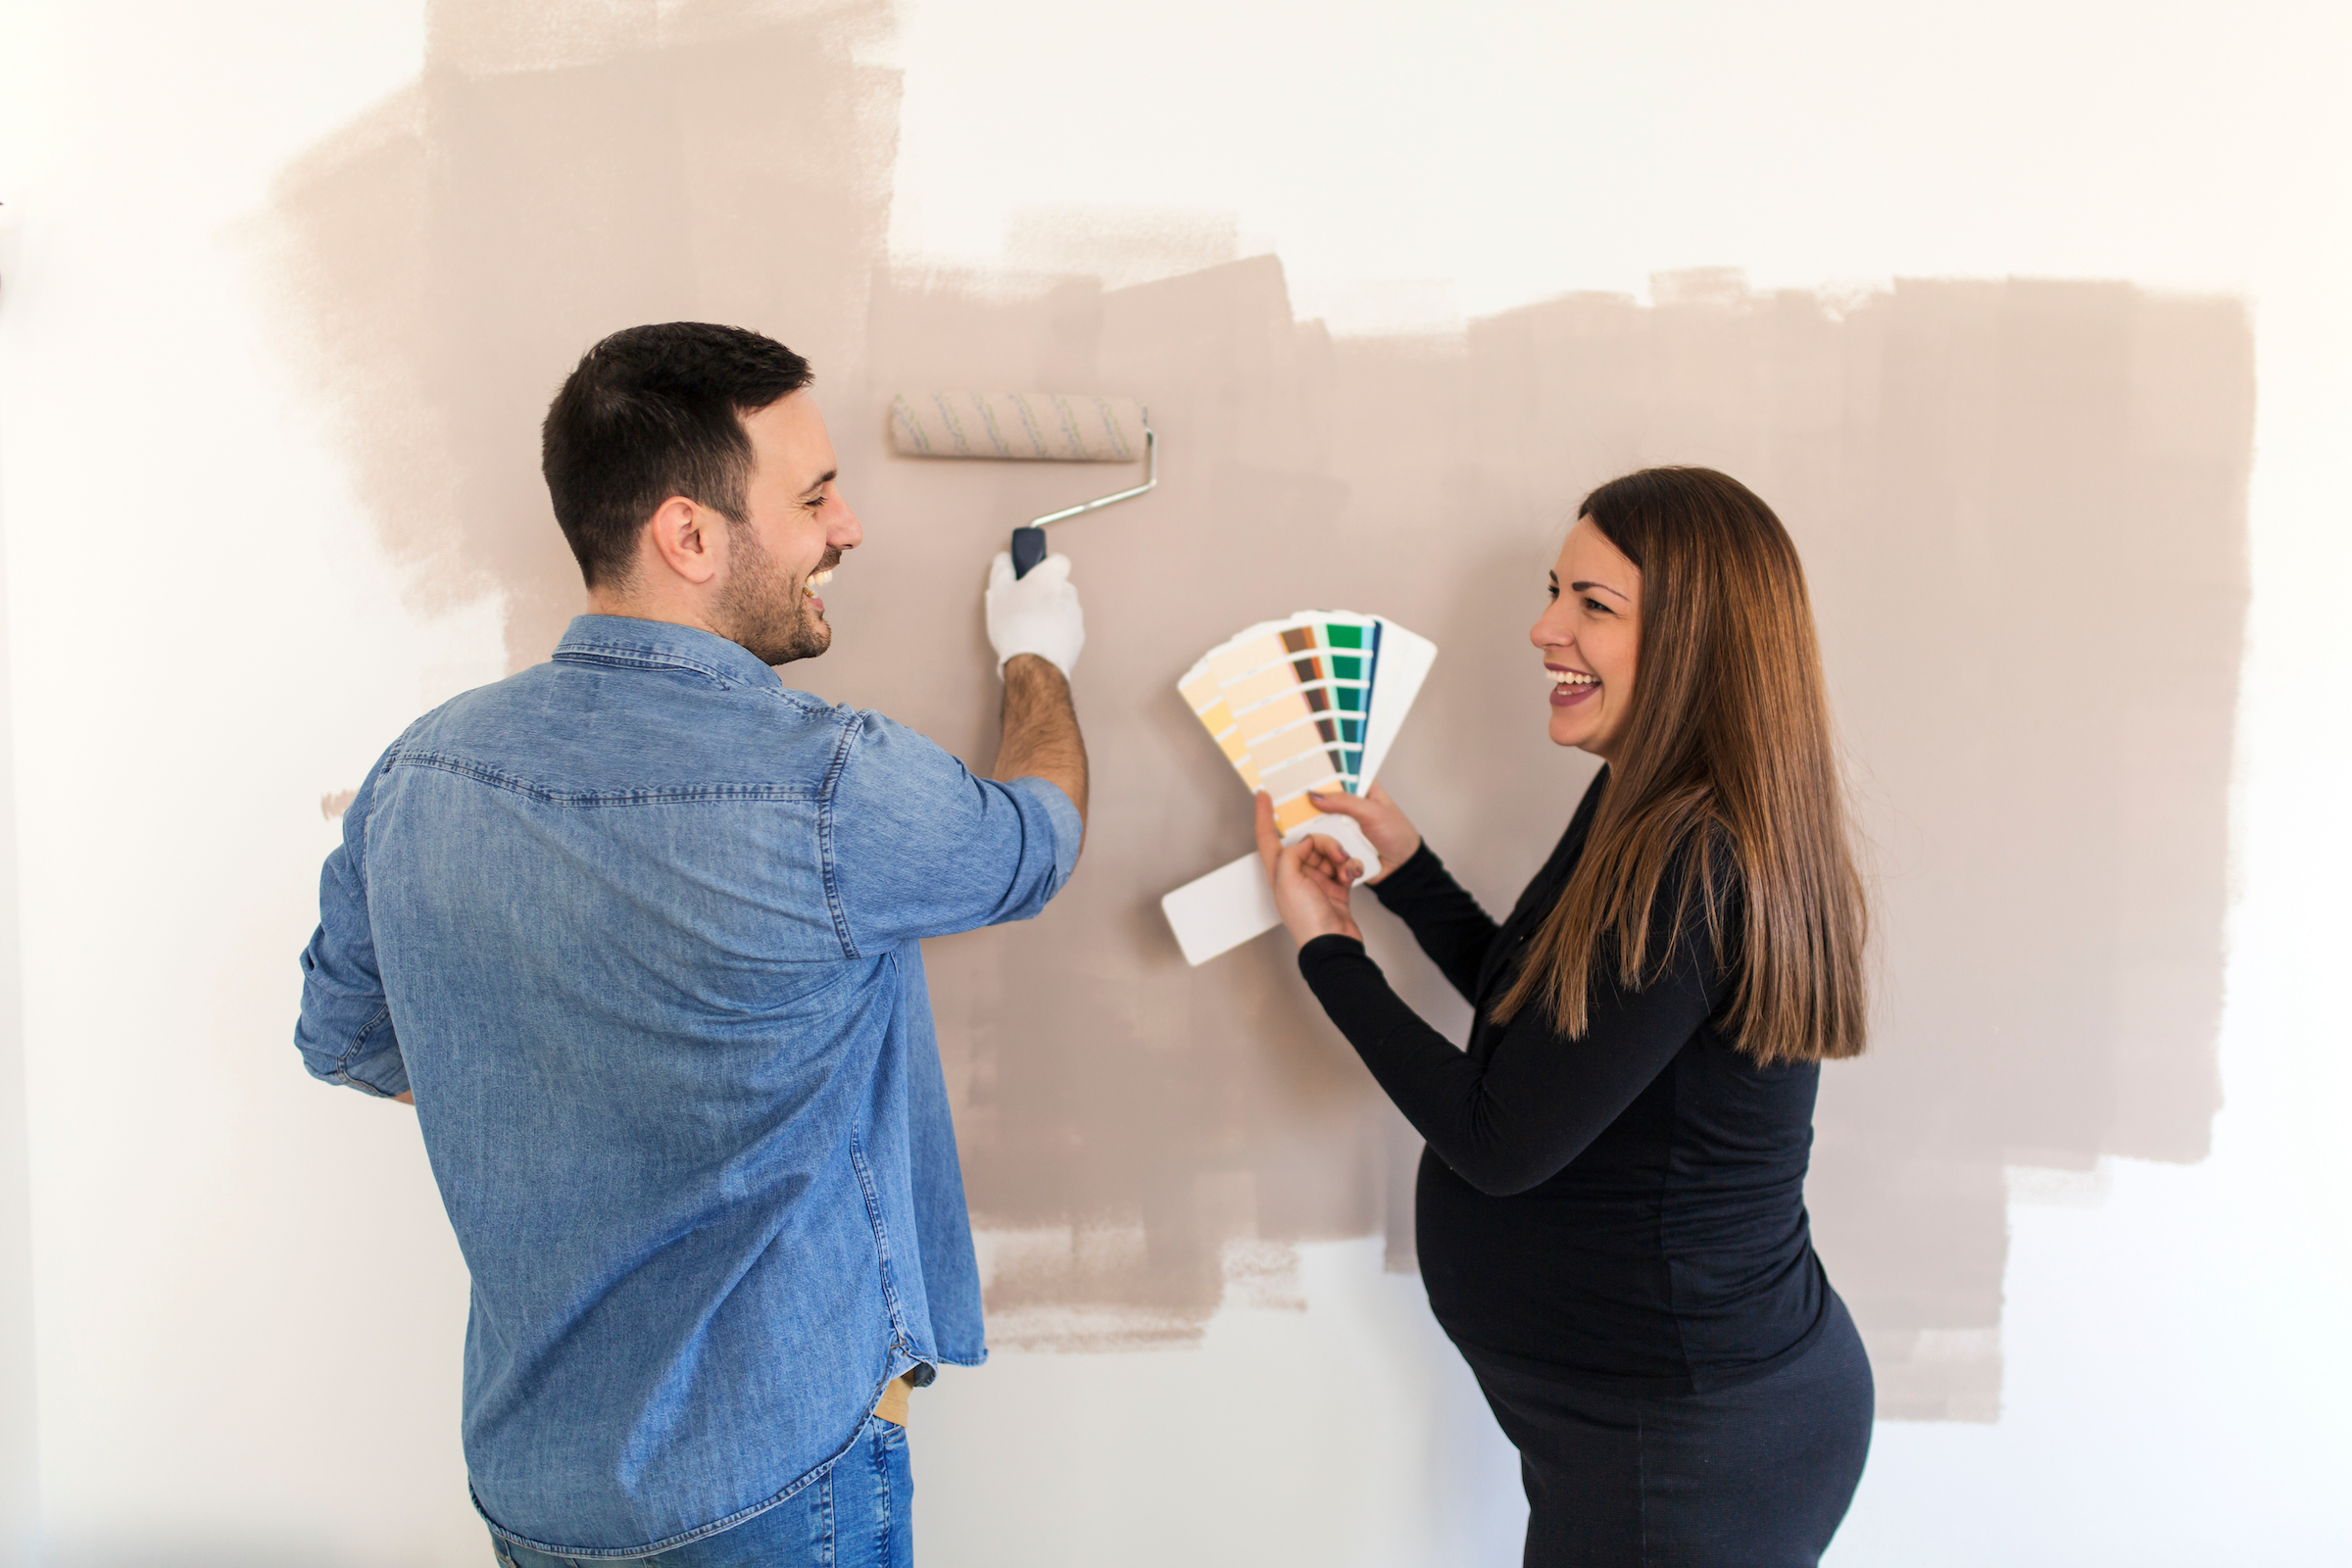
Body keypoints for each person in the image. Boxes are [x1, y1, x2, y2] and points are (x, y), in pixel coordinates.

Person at [294, 322, 1091, 1567]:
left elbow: (345, 1036)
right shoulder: (830, 787)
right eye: (815, 497)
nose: (848, 527)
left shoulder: (419, 769)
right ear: (690, 536)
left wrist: (558, 1073)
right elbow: (1036, 843)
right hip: (778, 1479)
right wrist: (1038, 656)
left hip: (538, 1487)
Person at [1256, 466, 1875, 1567]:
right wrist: (1408, 873)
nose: (1545, 629)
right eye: (1556, 592)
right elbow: (1551, 1025)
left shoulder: (1694, 856)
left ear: (1693, 639)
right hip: (1647, 1425)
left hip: (1684, 1449)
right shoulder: (1648, 802)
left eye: (1594, 603)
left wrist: (1328, 949)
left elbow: (1501, 1140)